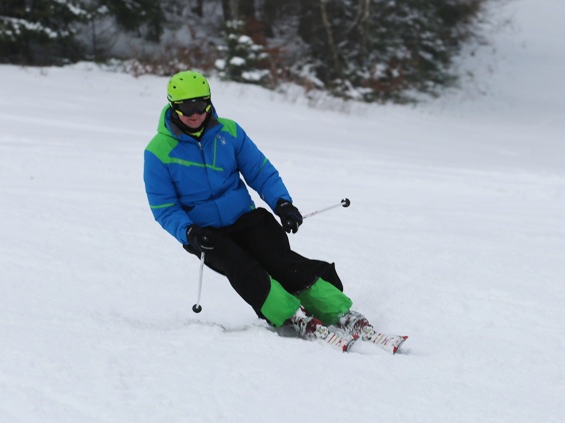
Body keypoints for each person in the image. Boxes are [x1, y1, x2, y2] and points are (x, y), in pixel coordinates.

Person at [143, 70, 407, 353]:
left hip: (245, 218)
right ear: (173, 106)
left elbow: (259, 170)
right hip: (206, 233)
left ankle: (340, 312)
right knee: (242, 267)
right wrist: (189, 232)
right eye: (185, 107)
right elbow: (164, 207)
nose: (194, 114)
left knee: (280, 261)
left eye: (200, 105)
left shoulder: (229, 132)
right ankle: (290, 315)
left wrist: (282, 203)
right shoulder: (158, 152)